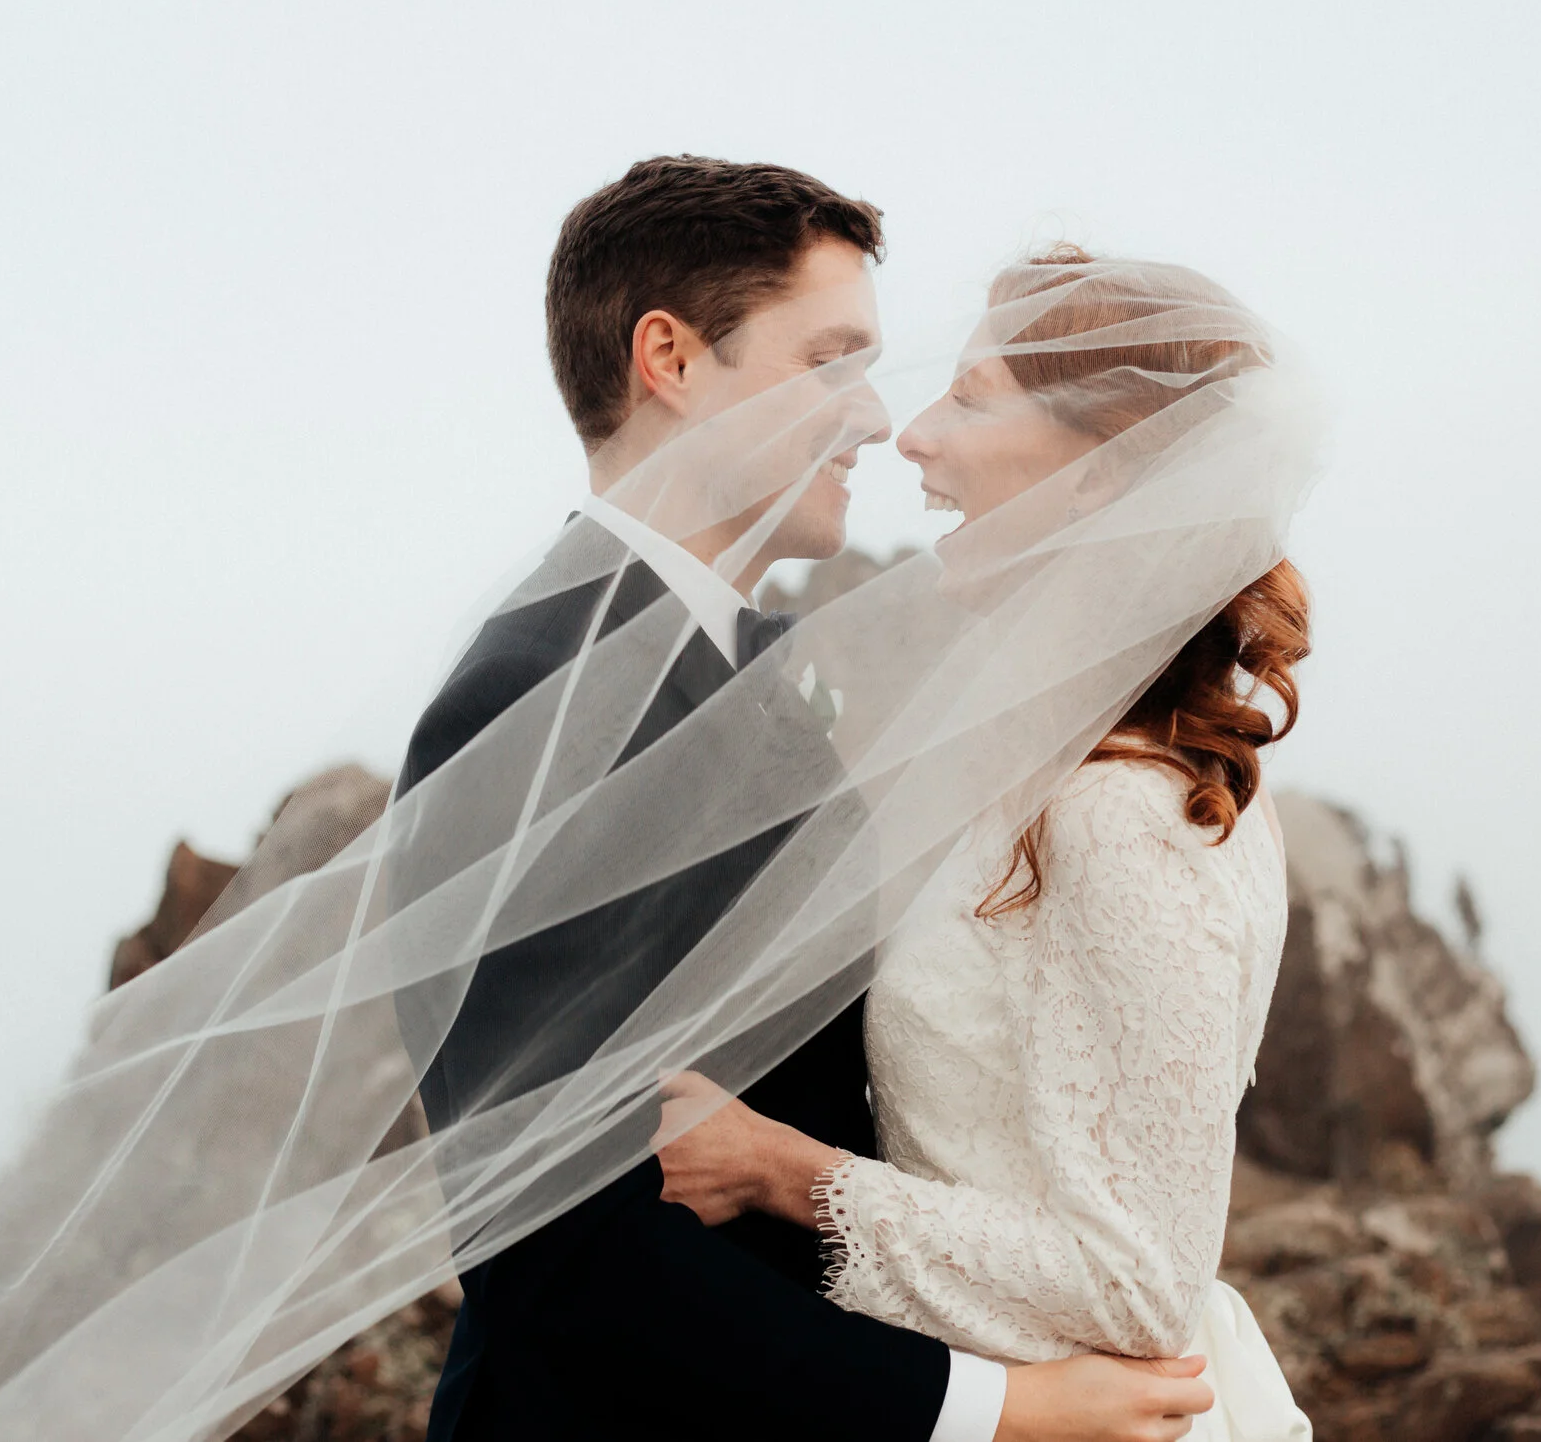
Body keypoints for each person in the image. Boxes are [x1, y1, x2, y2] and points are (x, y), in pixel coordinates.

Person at [399, 163, 1222, 1442]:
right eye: (830, 359)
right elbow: (556, 1250)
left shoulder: (748, 671)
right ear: (670, 357)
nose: (874, 417)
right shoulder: (535, 691)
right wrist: (991, 1406)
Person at [653, 246, 1317, 1441]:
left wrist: (777, 1168)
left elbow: (1139, 1282)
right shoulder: (1054, 767)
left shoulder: (1124, 811)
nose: (912, 436)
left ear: (1089, 474)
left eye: (968, 396)